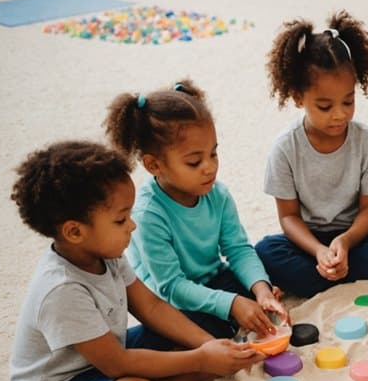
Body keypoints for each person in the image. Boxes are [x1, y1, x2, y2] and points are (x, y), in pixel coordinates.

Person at [9, 141, 263, 381]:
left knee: (197, 324)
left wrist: (207, 345)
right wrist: (202, 360)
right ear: (75, 232)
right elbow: (117, 364)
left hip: (106, 353)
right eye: (120, 220)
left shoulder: (106, 253)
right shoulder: (61, 289)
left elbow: (153, 307)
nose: (132, 225)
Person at [105, 79, 288, 343]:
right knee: (180, 334)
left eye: (213, 154)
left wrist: (261, 290)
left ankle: (240, 308)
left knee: (264, 273)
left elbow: (237, 249)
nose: (209, 167)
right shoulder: (147, 215)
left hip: (214, 281)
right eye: (194, 162)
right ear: (154, 165)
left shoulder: (218, 194)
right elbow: (172, 287)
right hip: (171, 301)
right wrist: (233, 305)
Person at [254, 13, 368, 299]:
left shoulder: (367, 142)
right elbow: (289, 217)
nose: (340, 114)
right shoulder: (284, 148)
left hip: (356, 237)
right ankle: (342, 273)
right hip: (307, 241)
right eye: (325, 106)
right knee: (265, 252)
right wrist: (318, 250)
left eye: (348, 101)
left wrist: (345, 241)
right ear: (297, 97)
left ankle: (330, 275)